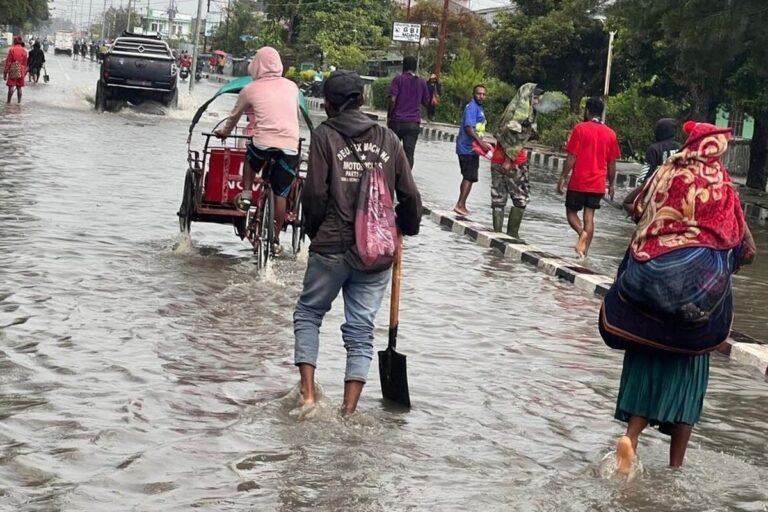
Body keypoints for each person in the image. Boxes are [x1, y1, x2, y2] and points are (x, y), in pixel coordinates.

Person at [599, 121, 757, 473]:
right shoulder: (722, 185)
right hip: (694, 313)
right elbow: (746, 250)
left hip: (648, 299)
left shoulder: (667, 172)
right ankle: (675, 467)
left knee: (644, 369)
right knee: (687, 382)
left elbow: (633, 205)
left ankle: (631, 440)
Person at [294, 70, 422, 414]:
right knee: (361, 330)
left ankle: (307, 397)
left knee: (308, 314)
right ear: (362, 100)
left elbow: (315, 194)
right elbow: (410, 196)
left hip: (331, 246)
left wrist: (314, 232)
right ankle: (348, 411)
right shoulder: (390, 140)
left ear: (330, 103)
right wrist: (406, 229)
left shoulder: (324, 136)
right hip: (377, 254)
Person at [214, 47, 300, 255]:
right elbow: (295, 115)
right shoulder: (292, 87)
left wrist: (224, 133)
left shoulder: (250, 89)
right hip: (290, 144)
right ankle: (276, 237)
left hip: (263, 143)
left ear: (257, 65)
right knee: (281, 193)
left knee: (251, 160)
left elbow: (233, 117)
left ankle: (245, 195)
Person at [556, 97, 621, 257]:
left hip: (579, 180)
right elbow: (612, 163)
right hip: (598, 183)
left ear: (587, 111)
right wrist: (611, 184)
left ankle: (581, 234)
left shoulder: (580, 129)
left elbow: (572, 157)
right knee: (589, 217)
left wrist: (563, 177)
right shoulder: (611, 134)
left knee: (571, 212)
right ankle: (584, 253)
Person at [489, 83, 542, 237]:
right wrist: (509, 159)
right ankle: (513, 235)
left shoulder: (510, 111)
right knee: (521, 199)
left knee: (498, 198)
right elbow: (513, 134)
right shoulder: (521, 115)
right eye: (536, 98)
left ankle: (497, 234)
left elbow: (502, 134)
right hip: (514, 162)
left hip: (497, 159)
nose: (537, 102)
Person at [454, 84, 492, 216]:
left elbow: (478, 129)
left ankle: (462, 204)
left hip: (473, 148)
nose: (481, 96)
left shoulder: (479, 108)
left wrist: (483, 142)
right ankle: (460, 205)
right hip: (467, 148)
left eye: (483, 94)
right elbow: (469, 128)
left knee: (468, 177)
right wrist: (481, 143)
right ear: (473, 94)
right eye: (479, 94)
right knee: (469, 177)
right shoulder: (472, 107)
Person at [387, 56, 430, 169]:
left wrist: (389, 116)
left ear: (403, 66)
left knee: (391, 151)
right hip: (413, 123)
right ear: (415, 67)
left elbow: (392, 99)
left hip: (396, 122)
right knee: (409, 154)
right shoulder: (421, 82)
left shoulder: (398, 80)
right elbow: (426, 102)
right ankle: (406, 180)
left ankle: (390, 176)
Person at [638, 118, 681, 184]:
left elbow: (646, 173)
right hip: (676, 185)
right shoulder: (681, 147)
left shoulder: (654, 148)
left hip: (658, 187)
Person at [4, 36, 28, 103]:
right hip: (21, 69)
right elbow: (25, 63)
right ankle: (19, 102)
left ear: (15, 41)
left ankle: (8, 102)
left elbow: (8, 62)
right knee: (19, 87)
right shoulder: (24, 51)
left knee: (11, 87)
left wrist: (5, 73)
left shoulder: (12, 50)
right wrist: (24, 72)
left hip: (13, 69)